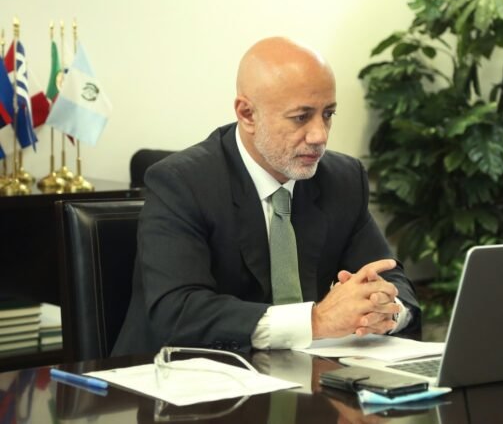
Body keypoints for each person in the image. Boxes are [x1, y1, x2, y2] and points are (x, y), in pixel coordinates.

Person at [112, 37, 420, 356]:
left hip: (299, 372)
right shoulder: (181, 183)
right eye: (301, 117)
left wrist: (384, 309)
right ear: (247, 114)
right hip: (174, 374)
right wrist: (315, 321)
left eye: (328, 114)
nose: (320, 135)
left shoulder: (342, 179)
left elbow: (392, 280)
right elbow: (178, 313)